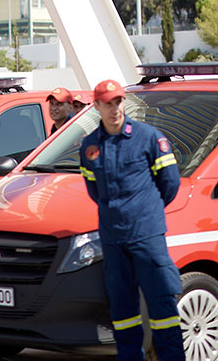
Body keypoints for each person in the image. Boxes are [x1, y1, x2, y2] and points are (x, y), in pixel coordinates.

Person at [78, 80, 183, 361]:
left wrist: (145, 211)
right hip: (113, 239)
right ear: (97, 106)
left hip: (147, 237)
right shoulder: (90, 147)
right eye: (108, 103)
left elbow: (170, 184)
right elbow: (94, 190)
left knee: (162, 307)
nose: (115, 109)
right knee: (123, 311)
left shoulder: (149, 138)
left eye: (119, 102)